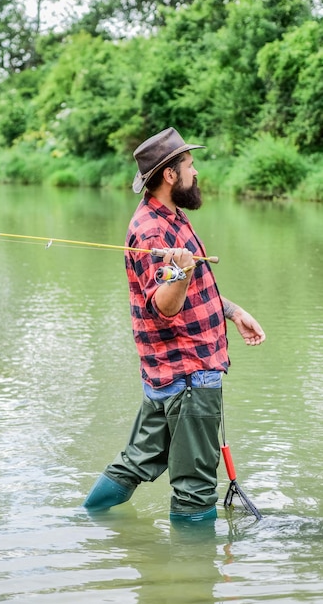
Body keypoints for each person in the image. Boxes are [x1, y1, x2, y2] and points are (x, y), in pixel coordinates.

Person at [83, 127, 266, 522]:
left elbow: (195, 291)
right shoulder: (151, 231)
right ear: (169, 175)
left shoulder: (171, 216)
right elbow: (164, 306)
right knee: (195, 490)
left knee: (135, 461)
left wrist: (233, 312)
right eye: (189, 164)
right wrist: (179, 274)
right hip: (188, 377)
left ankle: (82, 522)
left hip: (167, 373)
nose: (195, 172)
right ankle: (191, 578)